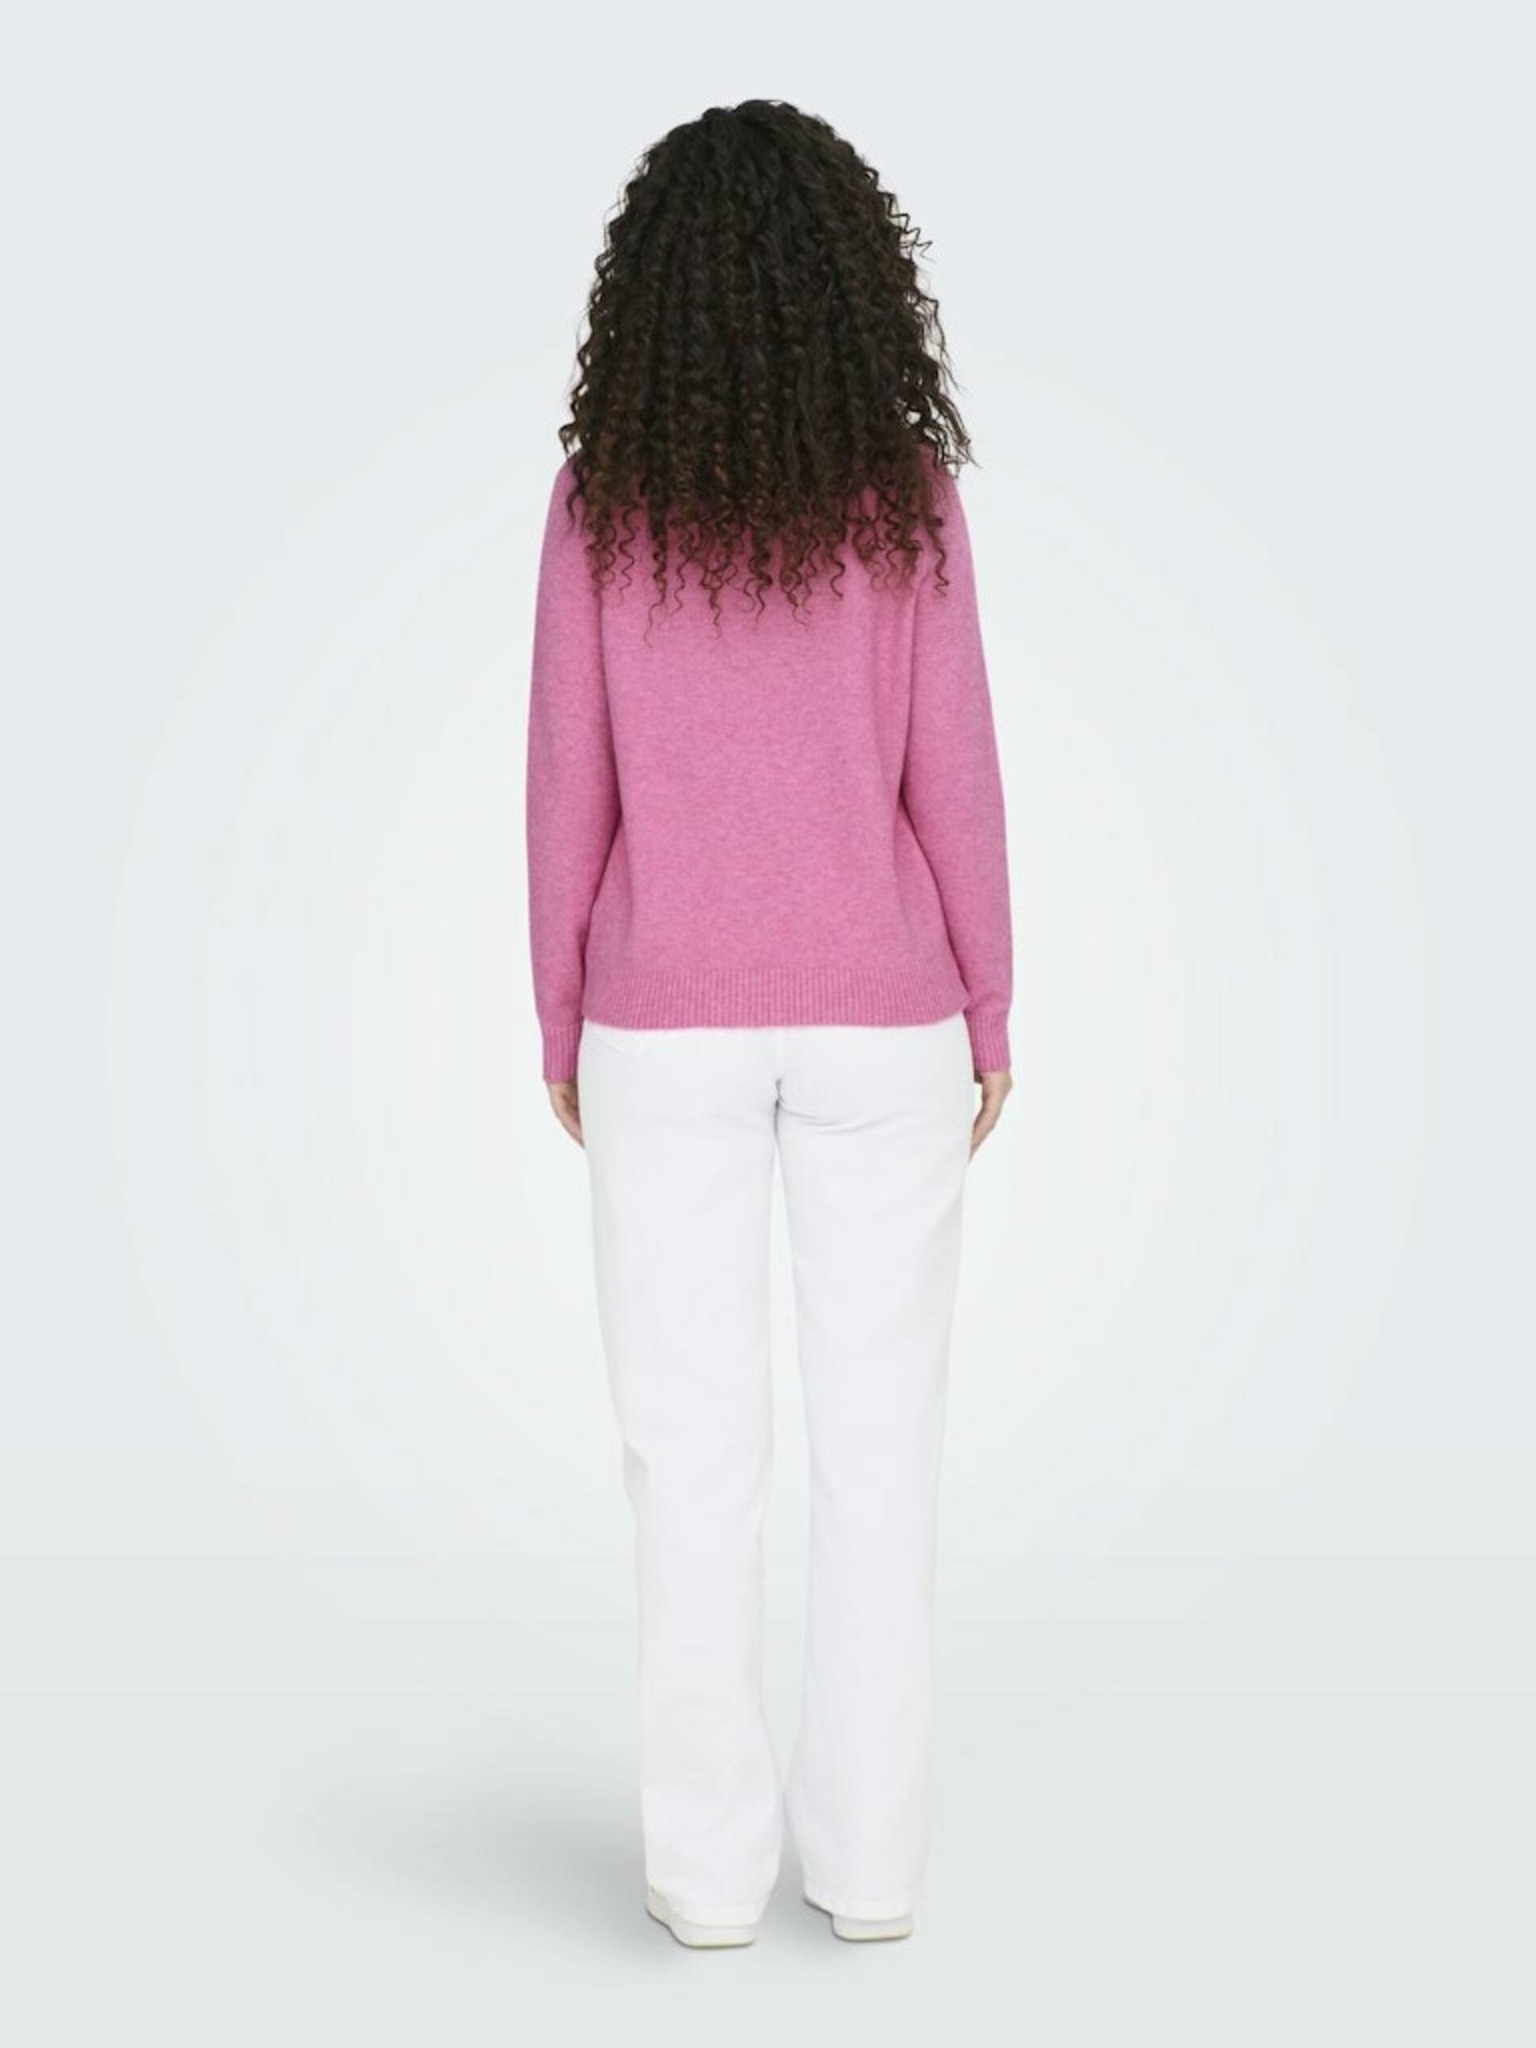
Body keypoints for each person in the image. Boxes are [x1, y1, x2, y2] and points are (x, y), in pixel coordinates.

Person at [524, 99, 1014, 1949]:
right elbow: (954, 773)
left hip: (663, 1020)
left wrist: (560, 1012)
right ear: (855, 281)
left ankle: (705, 1880)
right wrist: (989, 1002)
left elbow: (565, 783)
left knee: (688, 1459)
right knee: (884, 1459)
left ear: (646, 290)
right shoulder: (908, 498)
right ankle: (870, 1876)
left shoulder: (603, 502)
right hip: (888, 1021)